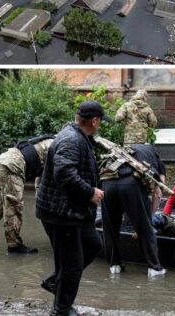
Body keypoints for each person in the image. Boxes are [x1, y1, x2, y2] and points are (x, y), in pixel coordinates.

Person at [35, 101, 107, 316]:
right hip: (61, 214)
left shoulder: (77, 136)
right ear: (94, 121)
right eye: (101, 121)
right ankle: (61, 309)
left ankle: (57, 283)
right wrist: (90, 192)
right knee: (72, 264)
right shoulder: (71, 139)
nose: (101, 125)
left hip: (72, 211)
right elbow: (64, 173)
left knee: (93, 244)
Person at [98, 141, 167, 277]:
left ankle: (115, 266)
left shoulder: (122, 150)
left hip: (107, 183)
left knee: (110, 227)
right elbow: (158, 194)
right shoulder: (156, 158)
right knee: (145, 227)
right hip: (130, 184)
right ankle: (155, 269)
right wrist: (149, 218)